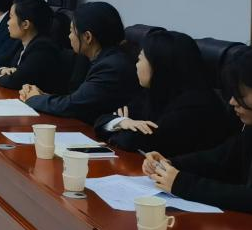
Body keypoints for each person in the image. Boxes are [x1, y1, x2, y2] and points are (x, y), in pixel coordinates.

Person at [143, 44, 252, 216]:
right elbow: (220, 158)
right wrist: (170, 164)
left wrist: (184, 185)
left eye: (241, 95)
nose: (232, 102)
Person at [96, 29, 237, 157]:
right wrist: (122, 122)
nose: (136, 65)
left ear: (159, 65)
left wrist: (121, 129)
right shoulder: (155, 93)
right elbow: (102, 120)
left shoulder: (195, 107)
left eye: (140, 59)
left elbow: (132, 141)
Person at [20, 1, 137, 122]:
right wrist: (42, 96)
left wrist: (33, 98)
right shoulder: (100, 59)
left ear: (87, 37)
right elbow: (78, 99)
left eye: (71, 31)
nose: (69, 36)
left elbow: (72, 106)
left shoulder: (111, 67)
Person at [0, 0, 65, 92]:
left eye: (11, 17)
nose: (8, 22)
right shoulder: (20, 43)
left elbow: (15, 81)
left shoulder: (43, 49)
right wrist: (2, 71)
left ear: (25, 24)